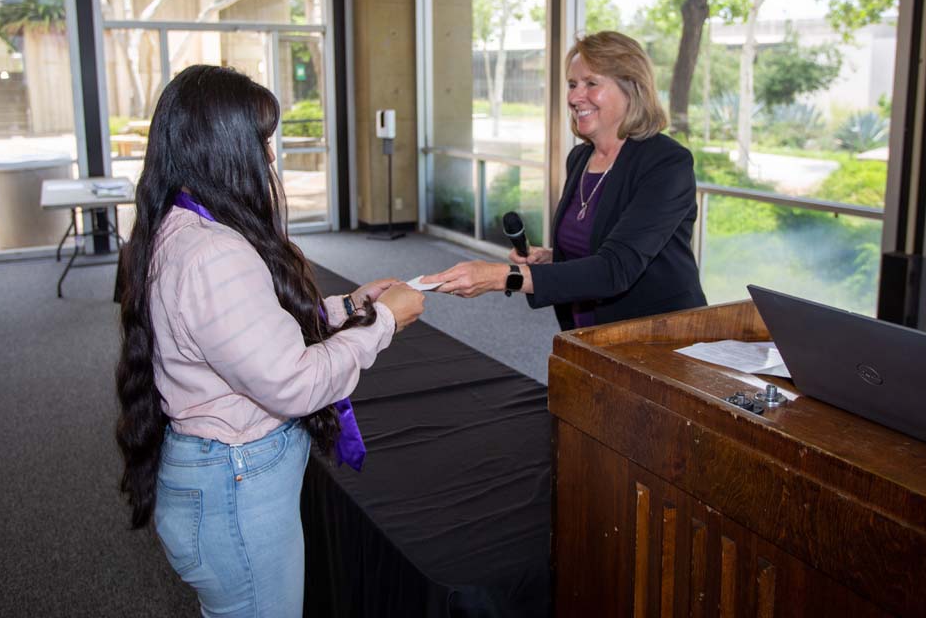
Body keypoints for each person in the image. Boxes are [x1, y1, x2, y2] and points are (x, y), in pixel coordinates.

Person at [115, 65, 424, 617]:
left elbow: (247, 330)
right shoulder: (214, 254)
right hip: (235, 494)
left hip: (215, 483)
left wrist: (350, 308)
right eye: (260, 143)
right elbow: (294, 382)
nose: (271, 157)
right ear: (222, 148)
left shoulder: (179, 226)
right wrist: (383, 324)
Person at [423, 31, 706, 329]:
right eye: (572, 85)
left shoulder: (666, 163)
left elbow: (615, 268)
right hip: (586, 331)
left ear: (631, 88)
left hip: (659, 334)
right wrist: (554, 258)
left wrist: (500, 276)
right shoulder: (580, 158)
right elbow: (597, 243)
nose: (573, 97)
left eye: (591, 83)